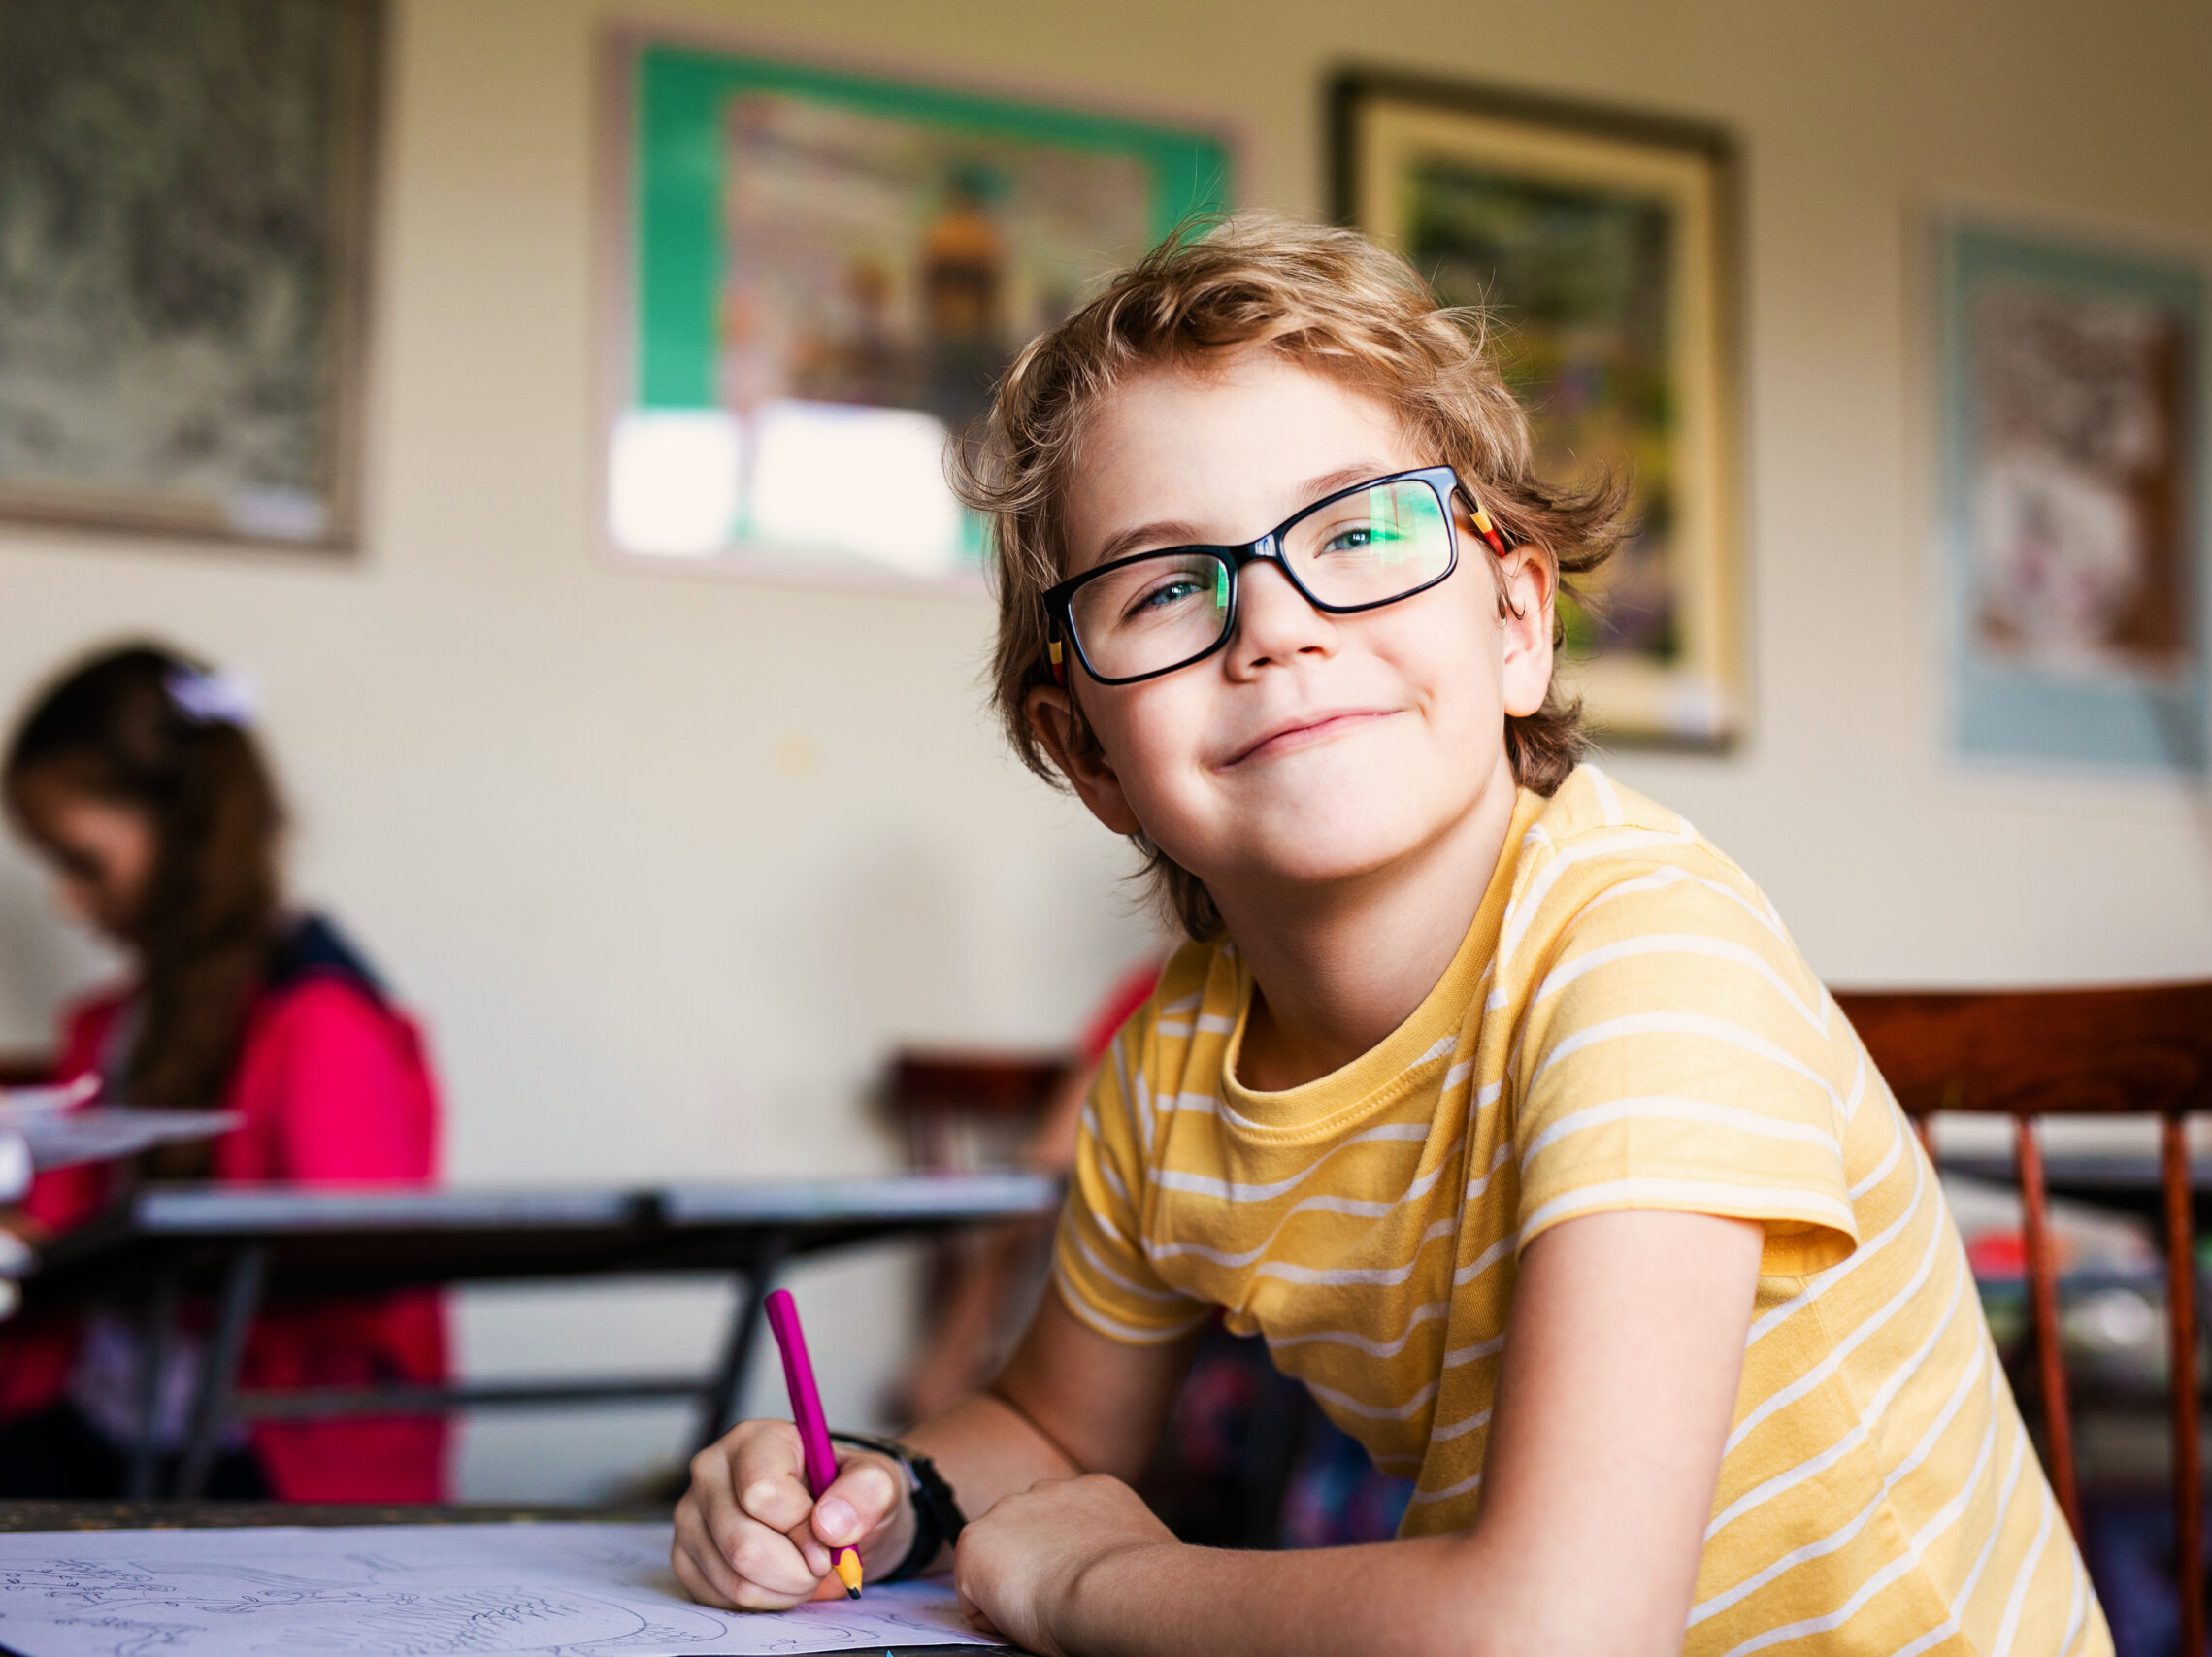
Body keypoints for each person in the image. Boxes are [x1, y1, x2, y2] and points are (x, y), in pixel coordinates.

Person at [673, 216, 2108, 1656]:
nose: (1277, 623)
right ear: (1090, 753)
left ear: (1516, 625)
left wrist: (1092, 1581)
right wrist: (885, 1489)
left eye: (1360, 531)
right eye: (1170, 584)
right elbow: (1048, 1425)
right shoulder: (1174, 1067)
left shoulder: (1646, 958)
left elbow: (1559, 1629)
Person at [0, 643, 446, 1501]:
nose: (67, 899)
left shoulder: (322, 1023)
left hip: (263, 1451)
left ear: (186, 828)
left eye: (83, 861)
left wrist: (83, 1252)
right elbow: (67, 1218)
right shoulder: (110, 1027)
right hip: (103, 1416)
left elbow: (354, 1271)